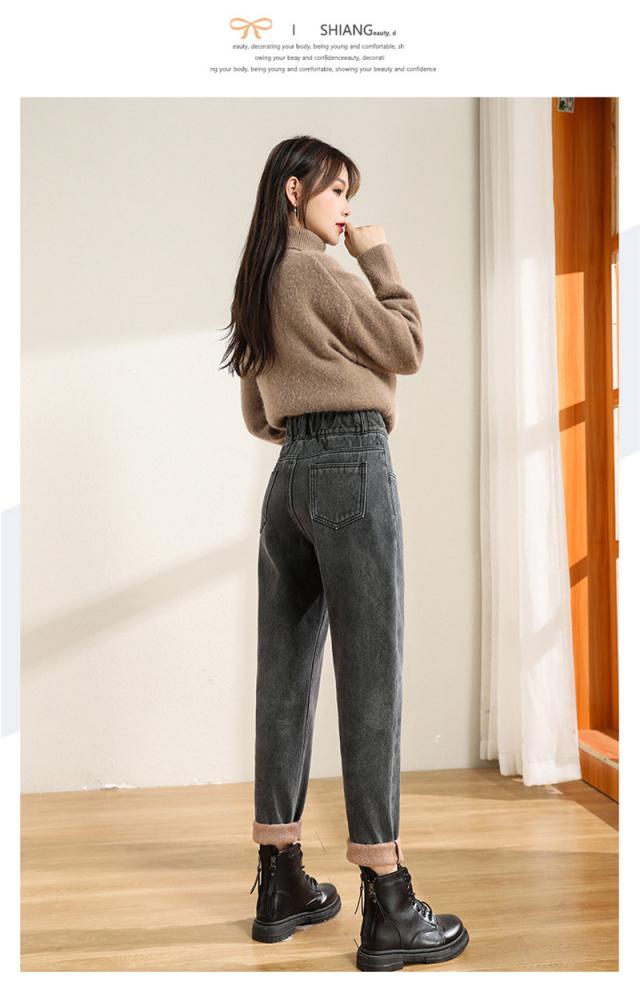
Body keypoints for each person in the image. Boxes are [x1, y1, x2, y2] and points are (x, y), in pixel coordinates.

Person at [220, 135, 469, 971]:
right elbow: (407, 346)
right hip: (353, 462)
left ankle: (280, 877)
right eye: (337, 193)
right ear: (295, 191)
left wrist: (308, 430)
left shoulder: (258, 280)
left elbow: (258, 412)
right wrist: (378, 256)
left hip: (288, 474)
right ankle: (389, 900)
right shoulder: (321, 271)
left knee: (284, 676)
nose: (347, 210)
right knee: (371, 675)